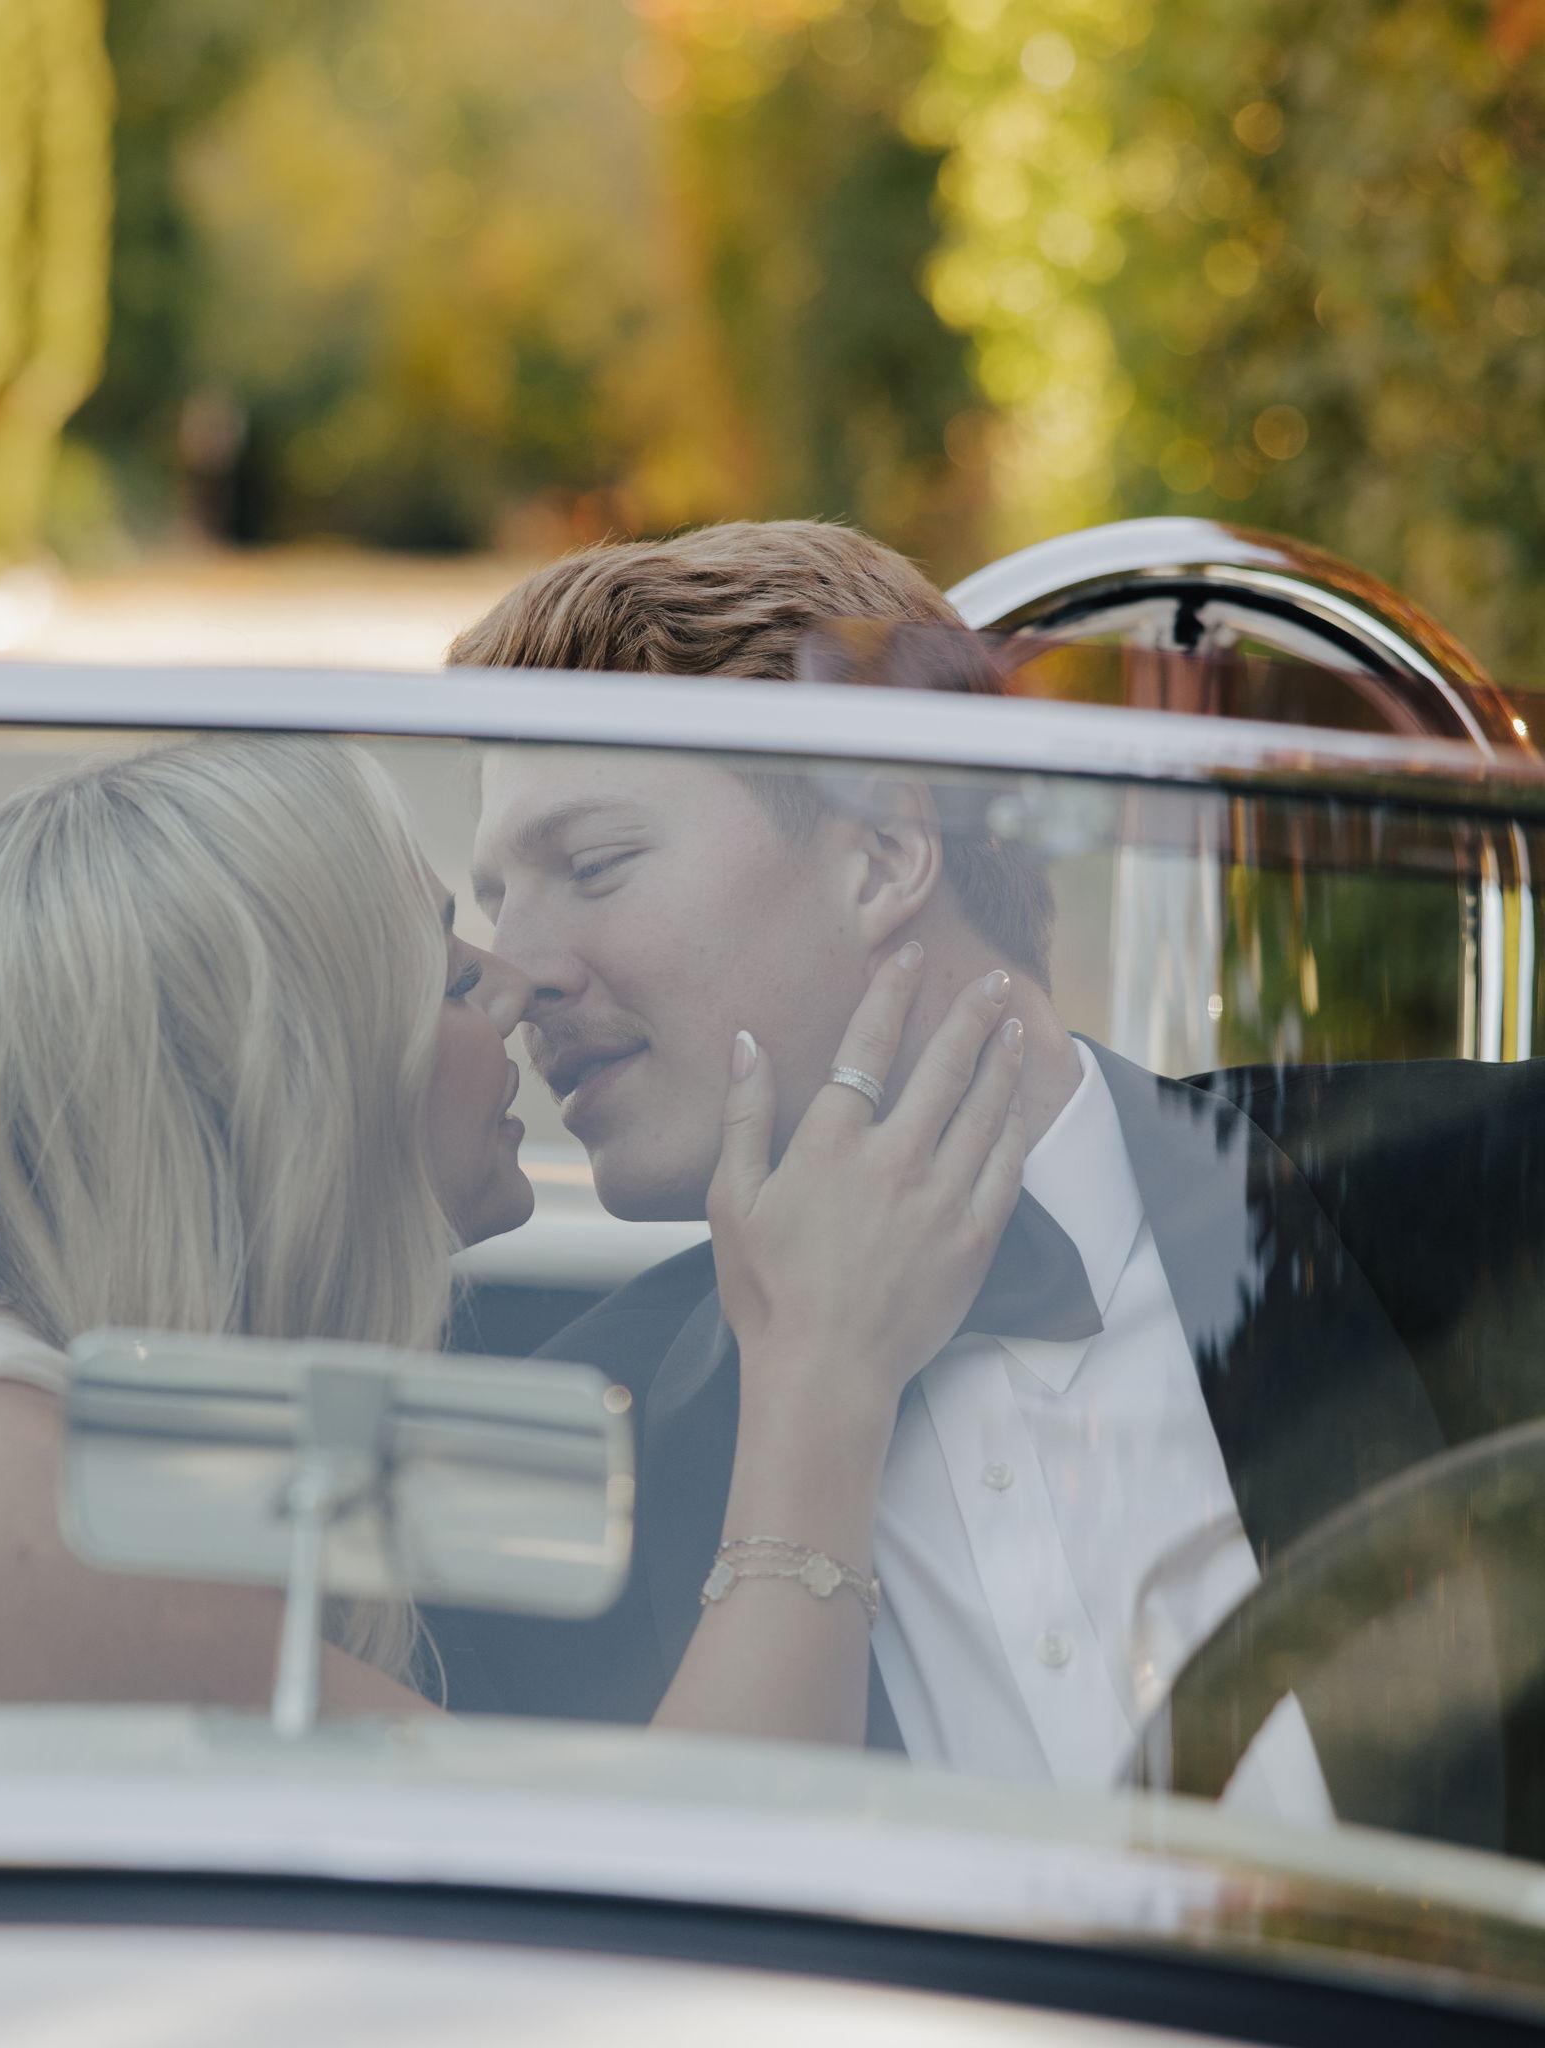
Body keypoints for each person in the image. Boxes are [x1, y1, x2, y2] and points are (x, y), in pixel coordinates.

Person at [0, 733, 1022, 1739]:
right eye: (442, 970)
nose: (514, 983)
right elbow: (664, 1912)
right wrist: (822, 1379)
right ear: (300, 1085)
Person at [440, 519, 1540, 1849]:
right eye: (497, 901)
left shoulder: (1487, 1192)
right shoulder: (542, 1476)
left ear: (885, 855)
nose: (520, 973)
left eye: (592, 867)